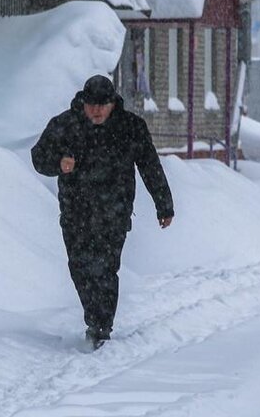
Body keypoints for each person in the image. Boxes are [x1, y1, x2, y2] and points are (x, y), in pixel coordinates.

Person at [31, 75, 174, 349]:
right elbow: (38, 157)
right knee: (80, 268)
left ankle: (101, 327)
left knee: (106, 269)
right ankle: (93, 317)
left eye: (102, 105)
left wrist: (163, 204)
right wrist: (59, 164)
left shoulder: (130, 127)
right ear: (83, 102)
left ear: (112, 104)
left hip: (114, 212)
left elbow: (150, 166)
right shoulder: (65, 125)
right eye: (92, 105)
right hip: (76, 212)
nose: (96, 111)